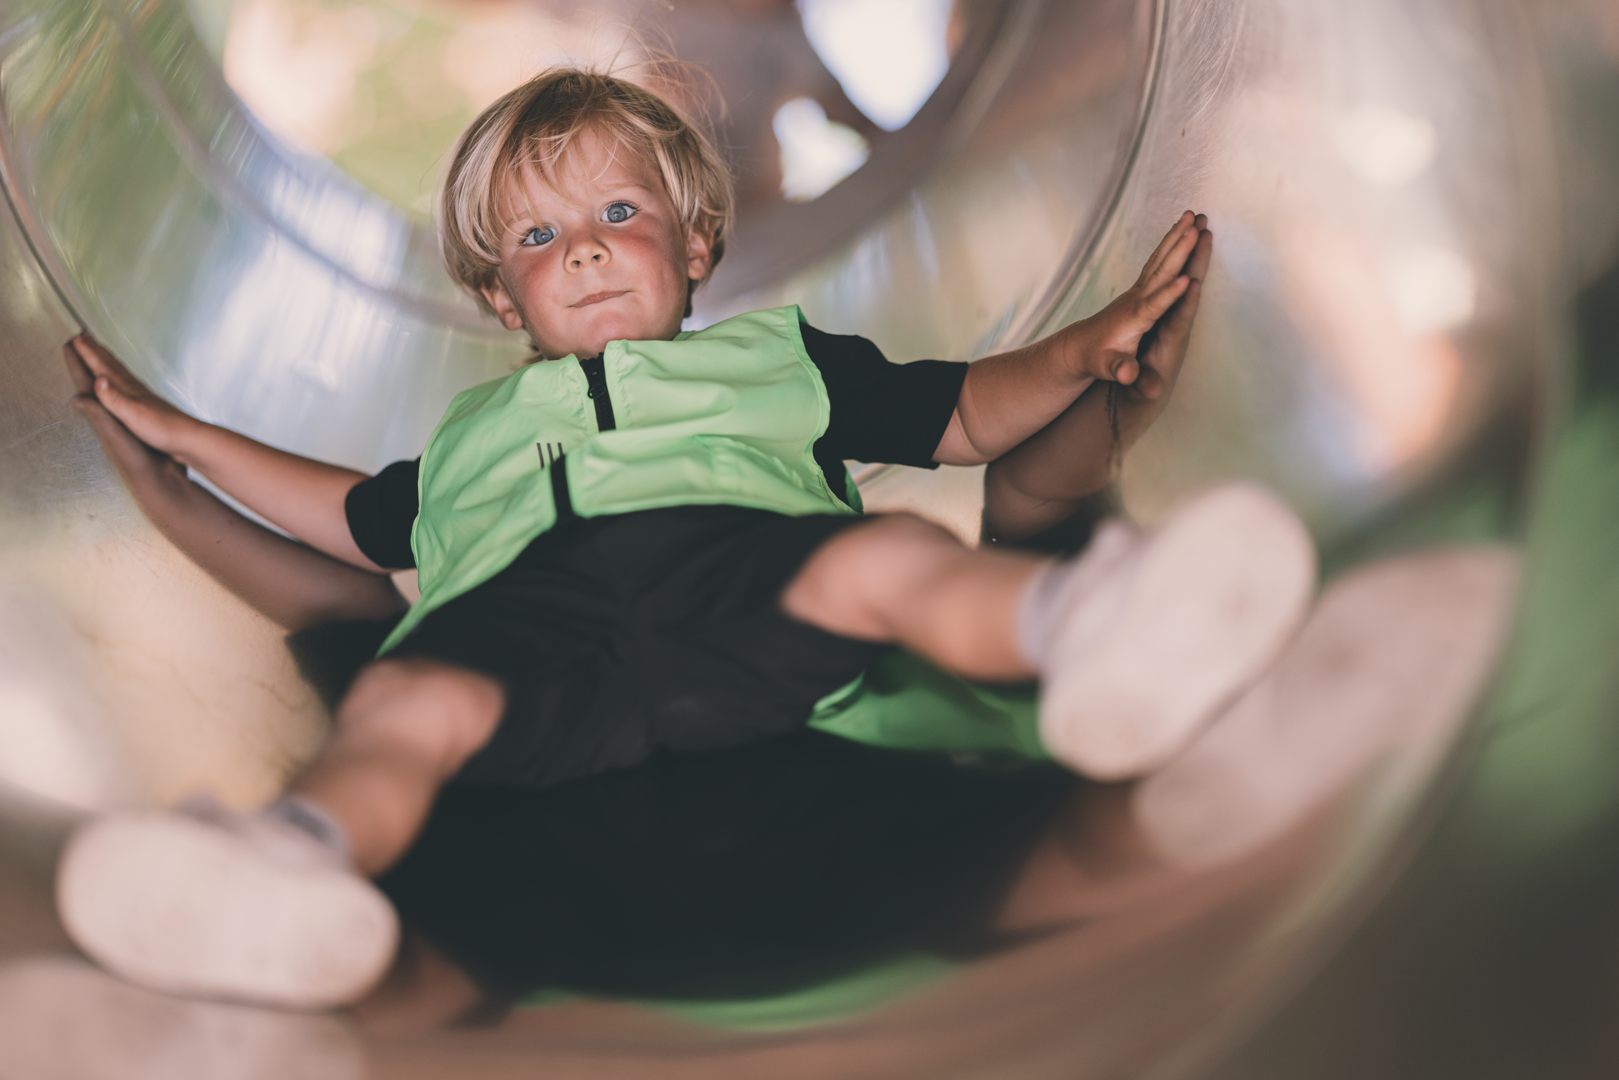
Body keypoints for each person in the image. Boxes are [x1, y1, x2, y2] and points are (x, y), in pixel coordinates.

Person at [54, 69, 1315, 1010]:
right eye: (538, 238)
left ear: (696, 240)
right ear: (499, 298)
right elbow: (341, 515)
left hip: (739, 576)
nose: (584, 248)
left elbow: (966, 414)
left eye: (617, 209)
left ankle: (1090, 633)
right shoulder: (466, 440)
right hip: (533, 630)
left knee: (881, 561)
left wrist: (1081, 347)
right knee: (407, 701)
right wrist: (184, 440)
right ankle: (289, 864)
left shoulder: (779, 358)